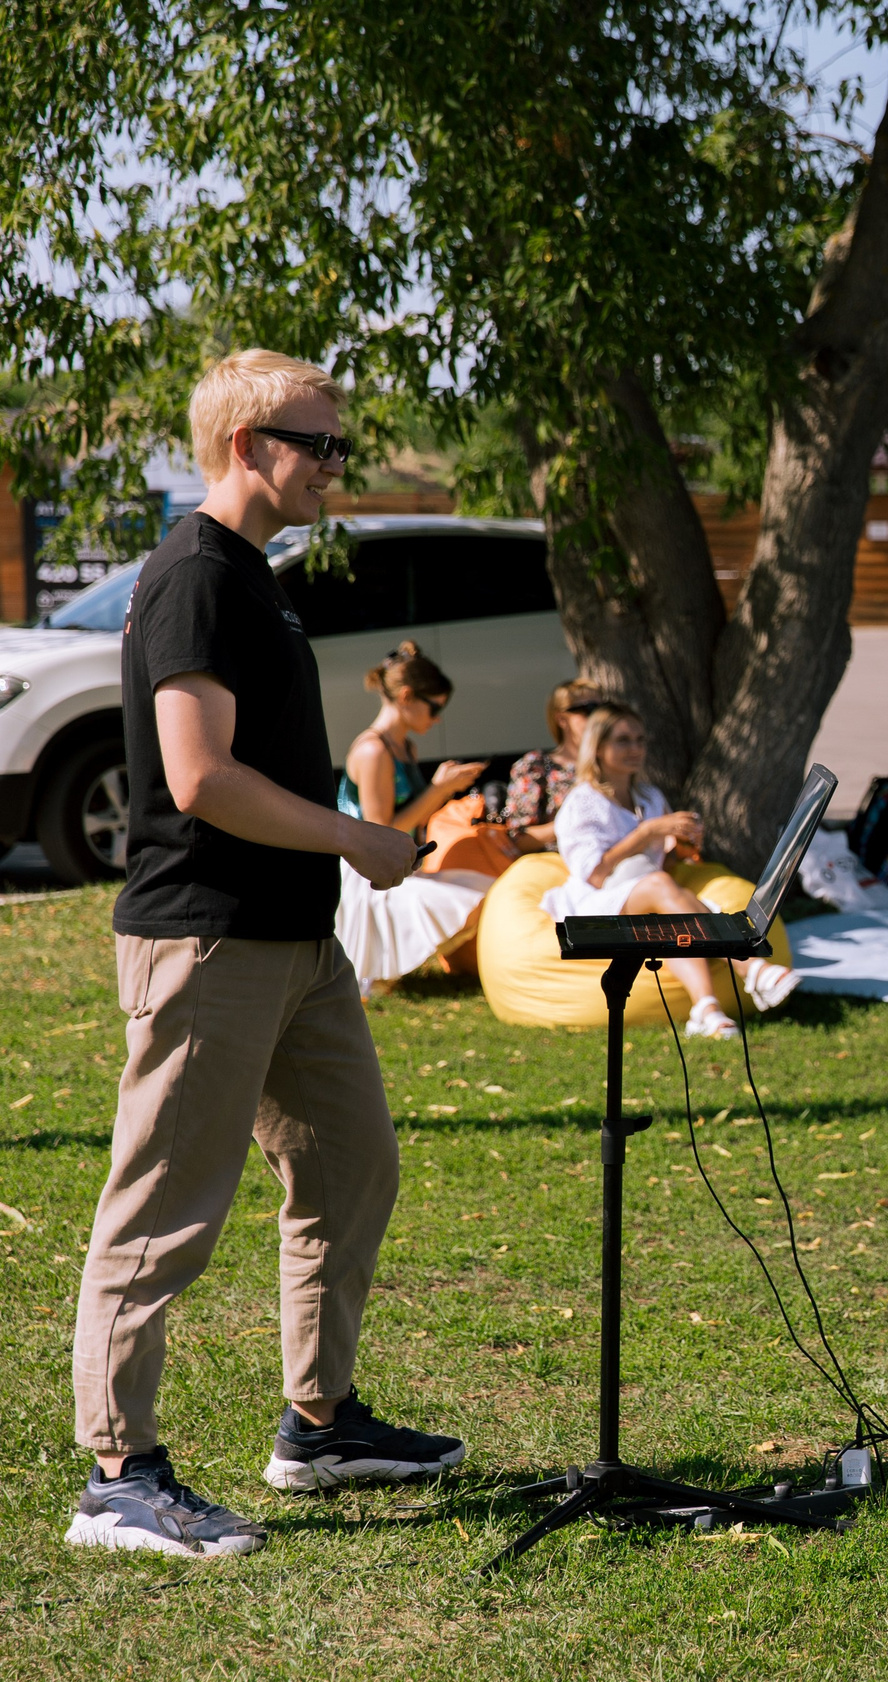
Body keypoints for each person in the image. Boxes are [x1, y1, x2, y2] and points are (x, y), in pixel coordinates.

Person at [70, 351, 465, 1561]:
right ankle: (120, 1480)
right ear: (249, 445)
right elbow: (198, 780)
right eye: (321, 443)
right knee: (163, 1211)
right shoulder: (195, 574)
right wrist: (359, 836)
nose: (336, 464)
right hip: (208, 938)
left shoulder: (260, 579)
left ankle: (319, 1424)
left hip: (297, 945)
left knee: (352, 1169)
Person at [540, 703, 800, 1037]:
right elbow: (594, 873)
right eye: (623, 741)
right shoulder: (583, 801)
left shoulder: (648, 796)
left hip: (645, 893)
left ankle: (705, 1008)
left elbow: (661, 864)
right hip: (597, 901)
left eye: (640, 740)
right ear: (598, 747)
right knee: (660, 886)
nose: (635, 749)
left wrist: (682, 848)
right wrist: (648, 832)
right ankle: (752, 968)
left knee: (670, 921)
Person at [331, 642, 497, 994]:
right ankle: (378, 974)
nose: (436, 719)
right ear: (407, 696)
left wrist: (445, 789)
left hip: (397, 866)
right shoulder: (373, 750)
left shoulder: (404, 747)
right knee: (466, 900)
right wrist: (438, 789)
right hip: (364, 877)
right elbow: (380, 833)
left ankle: (385, 972)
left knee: (485, 891)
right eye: (434, 707)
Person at [502, 678, 603, 852]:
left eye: (602, 709)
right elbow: (518, 838)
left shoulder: (611, 761)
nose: (598, 717)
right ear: (562, 719)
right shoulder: (537, 765)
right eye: (588, 710)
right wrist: (572, 822)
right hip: (556, 866)